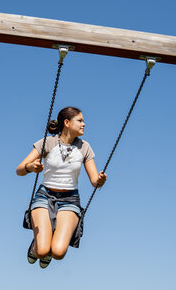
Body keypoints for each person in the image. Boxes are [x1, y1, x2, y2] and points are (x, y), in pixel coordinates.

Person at [16, 106, 107, 268]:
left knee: (58, 253)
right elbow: (19, 170)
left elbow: (94, 181)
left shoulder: (85, 147)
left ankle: (47, 240)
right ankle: (35, 246)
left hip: (70, 200)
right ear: (67, 122)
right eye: (80, 120)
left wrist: (100, 180)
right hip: (44, 196)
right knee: (42, 250)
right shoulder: (47, 142)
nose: (84, 124)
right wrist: (31, 167)